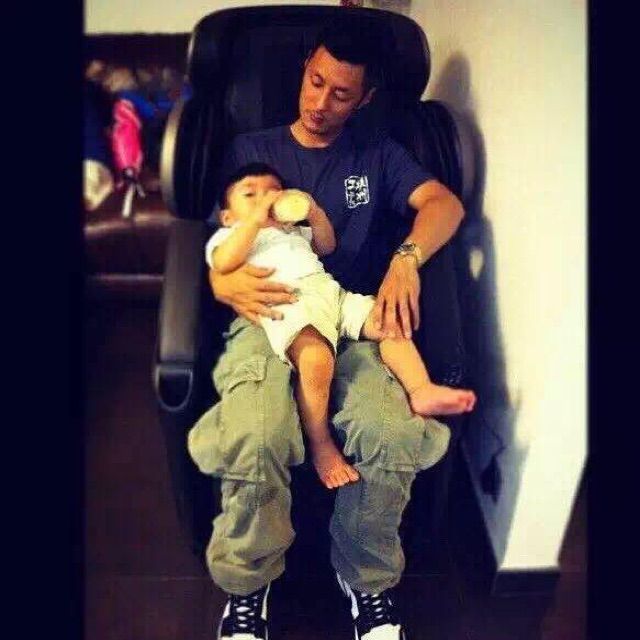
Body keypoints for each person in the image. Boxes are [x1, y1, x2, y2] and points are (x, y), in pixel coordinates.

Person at [187, 17, 469, 640]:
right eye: (315, 82)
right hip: (267, 318)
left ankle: (366, 580)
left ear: (365, 99)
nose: (320, 103)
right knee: (257, 434)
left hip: (348, 316)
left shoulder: (379, 153)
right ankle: (248, 585)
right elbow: (214, 240)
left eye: (340, 94)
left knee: (391, 431)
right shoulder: (252, 151)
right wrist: (218, 283)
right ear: (304, 71)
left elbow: (444, 205)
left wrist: (406, 258)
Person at [205, 161, 476, 491]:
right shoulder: (228, 236)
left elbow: (326, 246)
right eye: (251, 194)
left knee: (388, 319)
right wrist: (254, 221)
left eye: (273, 191)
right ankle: (320, 444)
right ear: (227, 216)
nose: (266, 198)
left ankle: (421, 390)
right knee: (316, 359)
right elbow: (224, 262)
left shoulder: (292, 232)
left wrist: (314, 213)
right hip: (288, 303)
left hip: (332, 294)